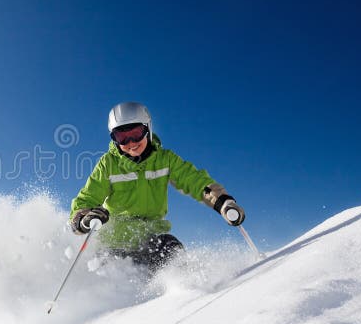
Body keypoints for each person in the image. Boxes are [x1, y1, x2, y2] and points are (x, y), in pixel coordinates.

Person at [70, 101, 245, 270]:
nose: (131, 142)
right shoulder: (108, 164)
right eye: (122, 137)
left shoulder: (165, 159)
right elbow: (87, 198)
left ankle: (182, 293)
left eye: (136, 133)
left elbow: (193, 180)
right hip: (114, 243)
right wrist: (83, 218)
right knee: (107, 273)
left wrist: (221, 201)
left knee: (170, 248)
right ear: (114, 139)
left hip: (150, 240)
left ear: (148, 129)